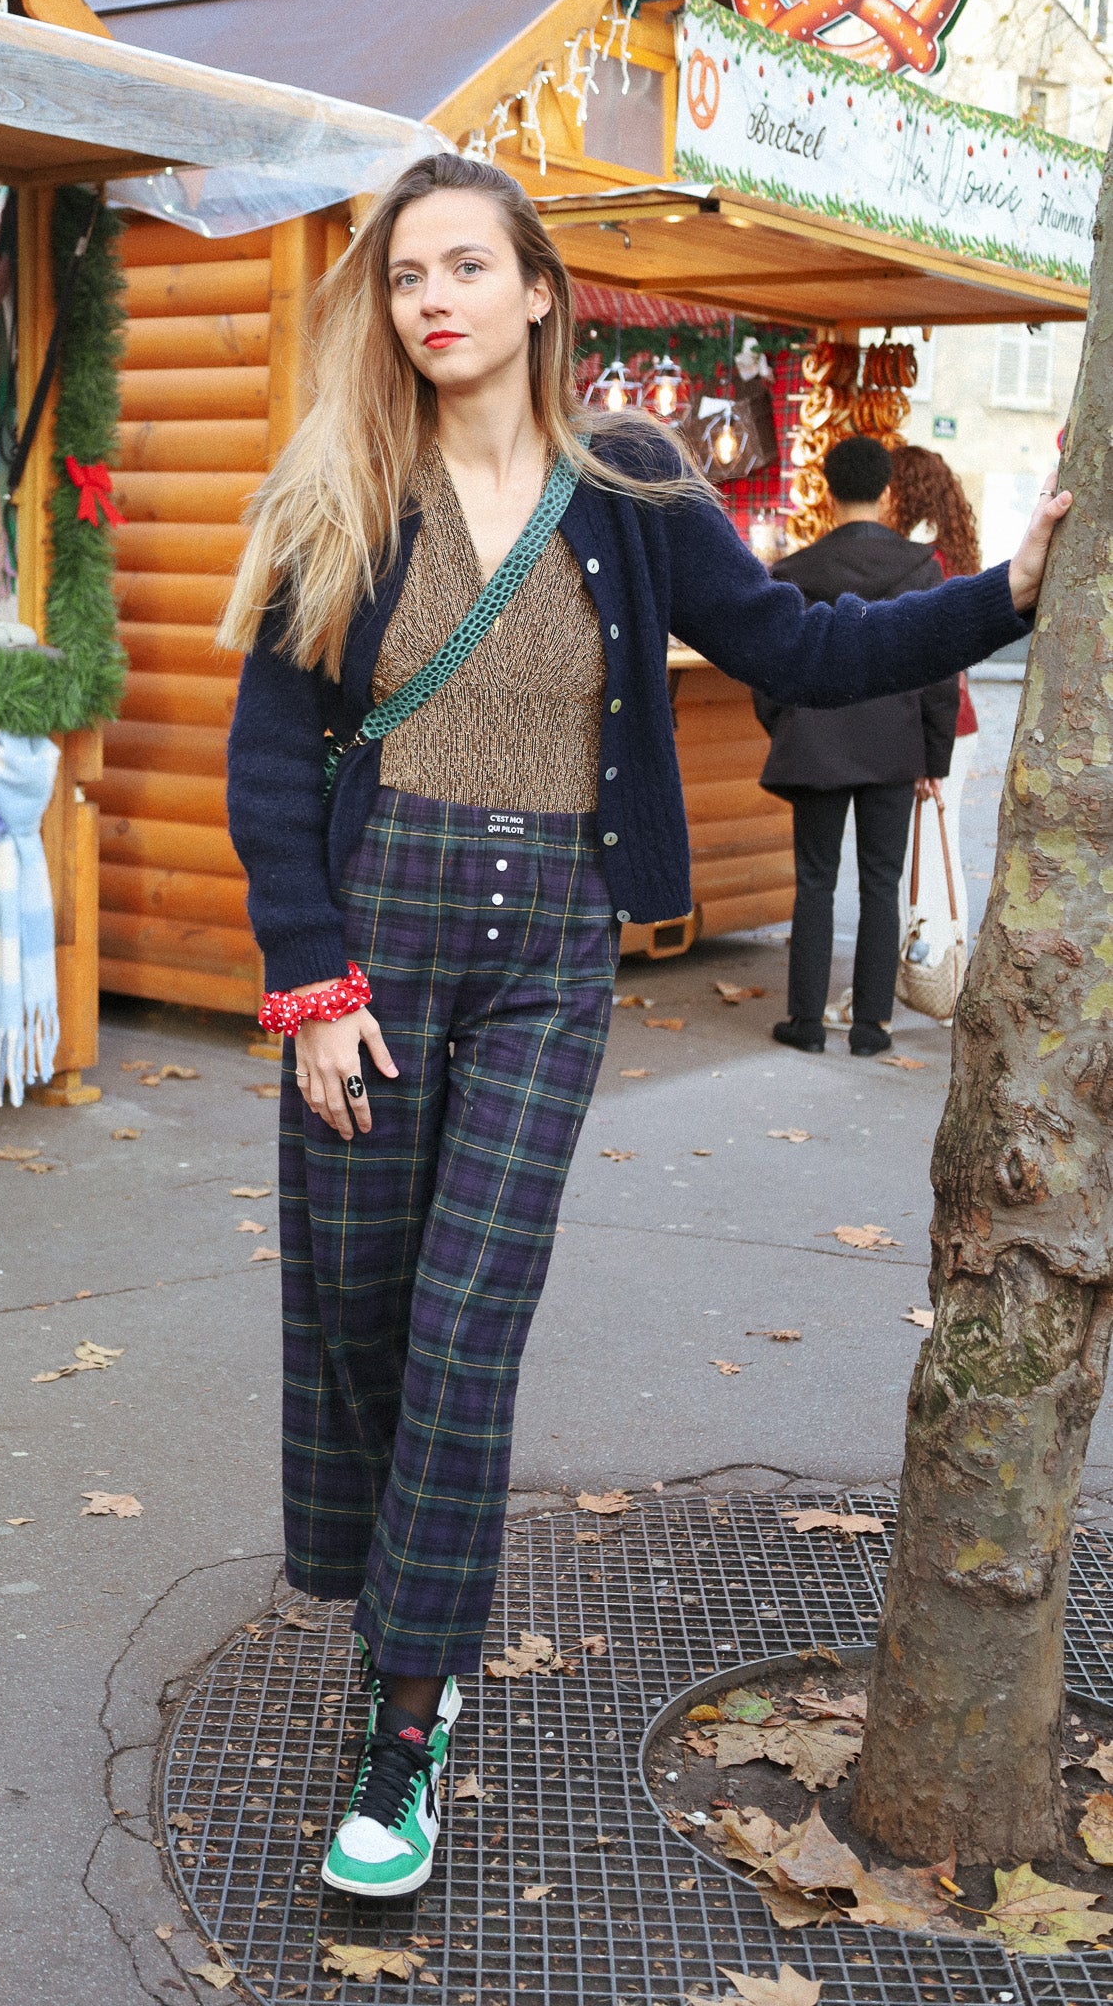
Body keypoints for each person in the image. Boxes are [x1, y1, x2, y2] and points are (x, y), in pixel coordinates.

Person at [223, 153, 1066, 1901]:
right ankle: (398, 1607)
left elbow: (796, 644)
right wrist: (311, 980)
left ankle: (406, 1719)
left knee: (466, 1331)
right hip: (373, 947)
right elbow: (272, 753)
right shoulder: (341, 485)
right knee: (366, 1321)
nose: (433, 300)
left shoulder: (631, 482)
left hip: (548, 951)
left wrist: (1005, 592)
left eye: (468, 267)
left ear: (540, 290)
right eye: (406, 276)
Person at [756, 435, 962, 1056]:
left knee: (814, 881)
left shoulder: (794, 572)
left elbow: (768, 667)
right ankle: (873, 1027)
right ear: (886, 492)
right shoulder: (920, 571)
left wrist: (786, 726)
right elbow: (940, 672)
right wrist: (934, 757)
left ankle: (805, 1022)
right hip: (894, 745)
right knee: (881, 881)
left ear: (827, 490)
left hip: (815, 741)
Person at [886, 445, 983, 957]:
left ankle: (933, 975)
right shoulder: (953, 555)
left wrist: (929, 749)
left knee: (924, 856)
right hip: (956, 720)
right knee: (938, 850)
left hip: (938, 724)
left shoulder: (926, 562)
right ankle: (945, 972)